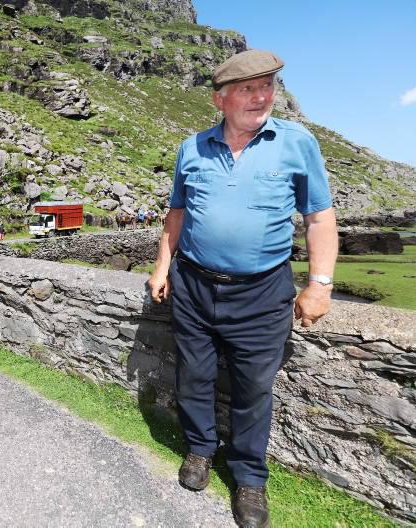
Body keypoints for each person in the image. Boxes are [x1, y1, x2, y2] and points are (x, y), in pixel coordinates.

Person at [147, 50, 337, 528]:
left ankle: (250, 478)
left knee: (253, 388)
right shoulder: (192, 147)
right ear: (220, 99)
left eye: (267, 86)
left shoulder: (297, 142)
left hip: (262, 293)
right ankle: (199, 450)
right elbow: (177, 214)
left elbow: (319, 217)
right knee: (193, 375)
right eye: (247, 89)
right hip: (193, 285)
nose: (260, 97)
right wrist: (162, 268)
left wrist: (319, 284)